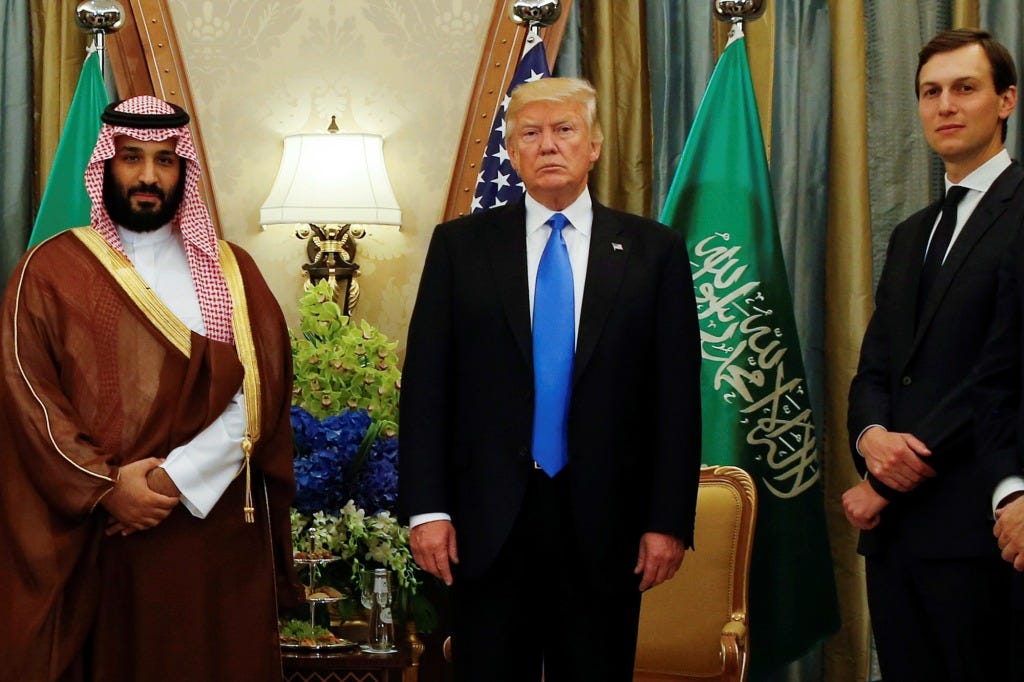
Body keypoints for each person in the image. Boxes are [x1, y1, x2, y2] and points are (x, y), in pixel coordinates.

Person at [399, 76, 702, 681]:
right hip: (484, 526)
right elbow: (427, 385)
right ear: (511, 154)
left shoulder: (653, 251)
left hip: (607, 524)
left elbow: (675, 400)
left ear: (593, 145)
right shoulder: (461, 247)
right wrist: (426, 510)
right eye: (530, 134)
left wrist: (667, 519)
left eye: (564, 130)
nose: (548, 146)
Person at [0, 95, 302, 681]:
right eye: (131, 158)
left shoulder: (231, 270)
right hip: (98, 532)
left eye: (165, 160)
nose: (147, 176)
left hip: (208, 528)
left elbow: (260, 390)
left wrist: (171, 479)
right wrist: (109, 486)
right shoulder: (50, 270)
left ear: (183, 170)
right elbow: (27, 396)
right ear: (105, 164)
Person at [843, 28, 1024, 680]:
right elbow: (878, 368)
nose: (945, 105)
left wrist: (886, 475)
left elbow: (1001, 375)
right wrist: (868, 437)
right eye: (930, 92)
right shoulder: (911, 234)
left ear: (1005, 101)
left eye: (964, 88)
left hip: (983, 528)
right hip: (897, 543)